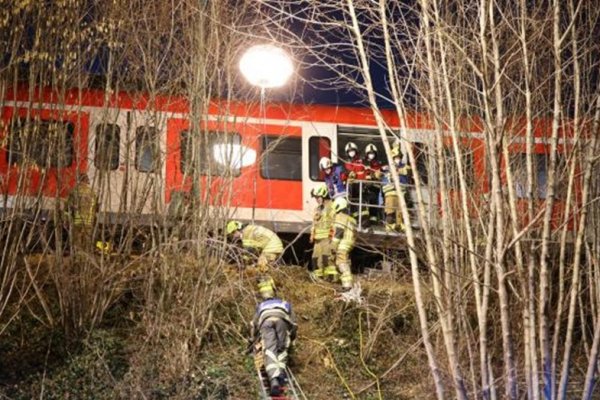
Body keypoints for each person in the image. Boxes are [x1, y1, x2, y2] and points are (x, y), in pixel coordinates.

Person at [250, 293, 298, 396]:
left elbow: (253, 324)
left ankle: (274, 380)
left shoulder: (261, 306)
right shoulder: (284, 303)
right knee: (282, 348)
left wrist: (253, 339)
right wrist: (292, 338)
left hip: (266, 323)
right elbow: (294, 324)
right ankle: (280, 375)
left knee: (270, 349)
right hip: (281, 322)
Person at [226, 221, 284, 299]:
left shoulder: (246, 234)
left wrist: (242, 264)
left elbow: (249, 251)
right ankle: (272, 291)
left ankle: (267, 295)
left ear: (236, 230)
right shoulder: (249, 230)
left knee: (261, 269)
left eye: (232, 234)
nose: (233, 237)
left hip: (271, 247)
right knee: (265, 269)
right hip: (273, 245)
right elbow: (254, 249)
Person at [309, 185, 337, 281]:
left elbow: (335, 223)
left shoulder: (331, 207)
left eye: (318, 197)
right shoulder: (317, 209)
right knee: (315, 259)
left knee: (327, 259)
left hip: (327, 238)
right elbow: (314, 223)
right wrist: (312, 235)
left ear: (324, 195)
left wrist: (332, 238)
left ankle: (331, 279)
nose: (317, 199)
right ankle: (318, 279)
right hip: (317, 240)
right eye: (316, 198)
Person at [380, 147, 412, 232]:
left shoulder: (405, 167)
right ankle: (390, 226)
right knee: (390, 210)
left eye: (398, 158)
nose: (397, 160)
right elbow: (377, 175)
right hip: (389, 193)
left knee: (401, 211)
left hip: (401, 193)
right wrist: (381, 170)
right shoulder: (387, 168)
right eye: (395, 158)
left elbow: (408, 172)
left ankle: (400, 226)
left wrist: (397, 170)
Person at [67, 172, 98, 252]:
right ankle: (85, 260)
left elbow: (69, 208)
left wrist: (67, 220)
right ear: (86, 181)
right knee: (86, 244)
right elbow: (95, 208)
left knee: (77, 244)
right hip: (88, 222)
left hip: (77, 222)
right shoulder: (92, 192)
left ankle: (77, 259)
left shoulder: (74, 191)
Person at [330, 197, 356, 290]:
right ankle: (345, 283)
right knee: (344, 262)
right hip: (349, 242)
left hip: (343, 243)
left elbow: (339, 232)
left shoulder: (340, 216)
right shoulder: (350, 218)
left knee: (341, 262)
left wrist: (333, 245)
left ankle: (347, 285)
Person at [343, 142, 369, 225]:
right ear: (347, 153)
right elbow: (346, 174)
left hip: (361, 185)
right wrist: (348, 176)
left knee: (362, 203)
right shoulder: (346, 163)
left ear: (356, 151)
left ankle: (364, 221)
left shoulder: (362, 161)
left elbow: (366, 171)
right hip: (352, 186)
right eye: (349, 151)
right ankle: (355, 220)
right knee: (353, 203)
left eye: (353, 151)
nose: (351, 152)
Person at [363, 143, 383, 226]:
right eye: (370, 153)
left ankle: (373, 220)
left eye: (373, 153)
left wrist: (375, 175)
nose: (371, 155)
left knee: (374, 203)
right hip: (365, 187)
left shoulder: (379, 164)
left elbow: (380, 174)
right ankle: (365, 220)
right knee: (364, 203)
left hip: (375, 187)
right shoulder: (363, 163)